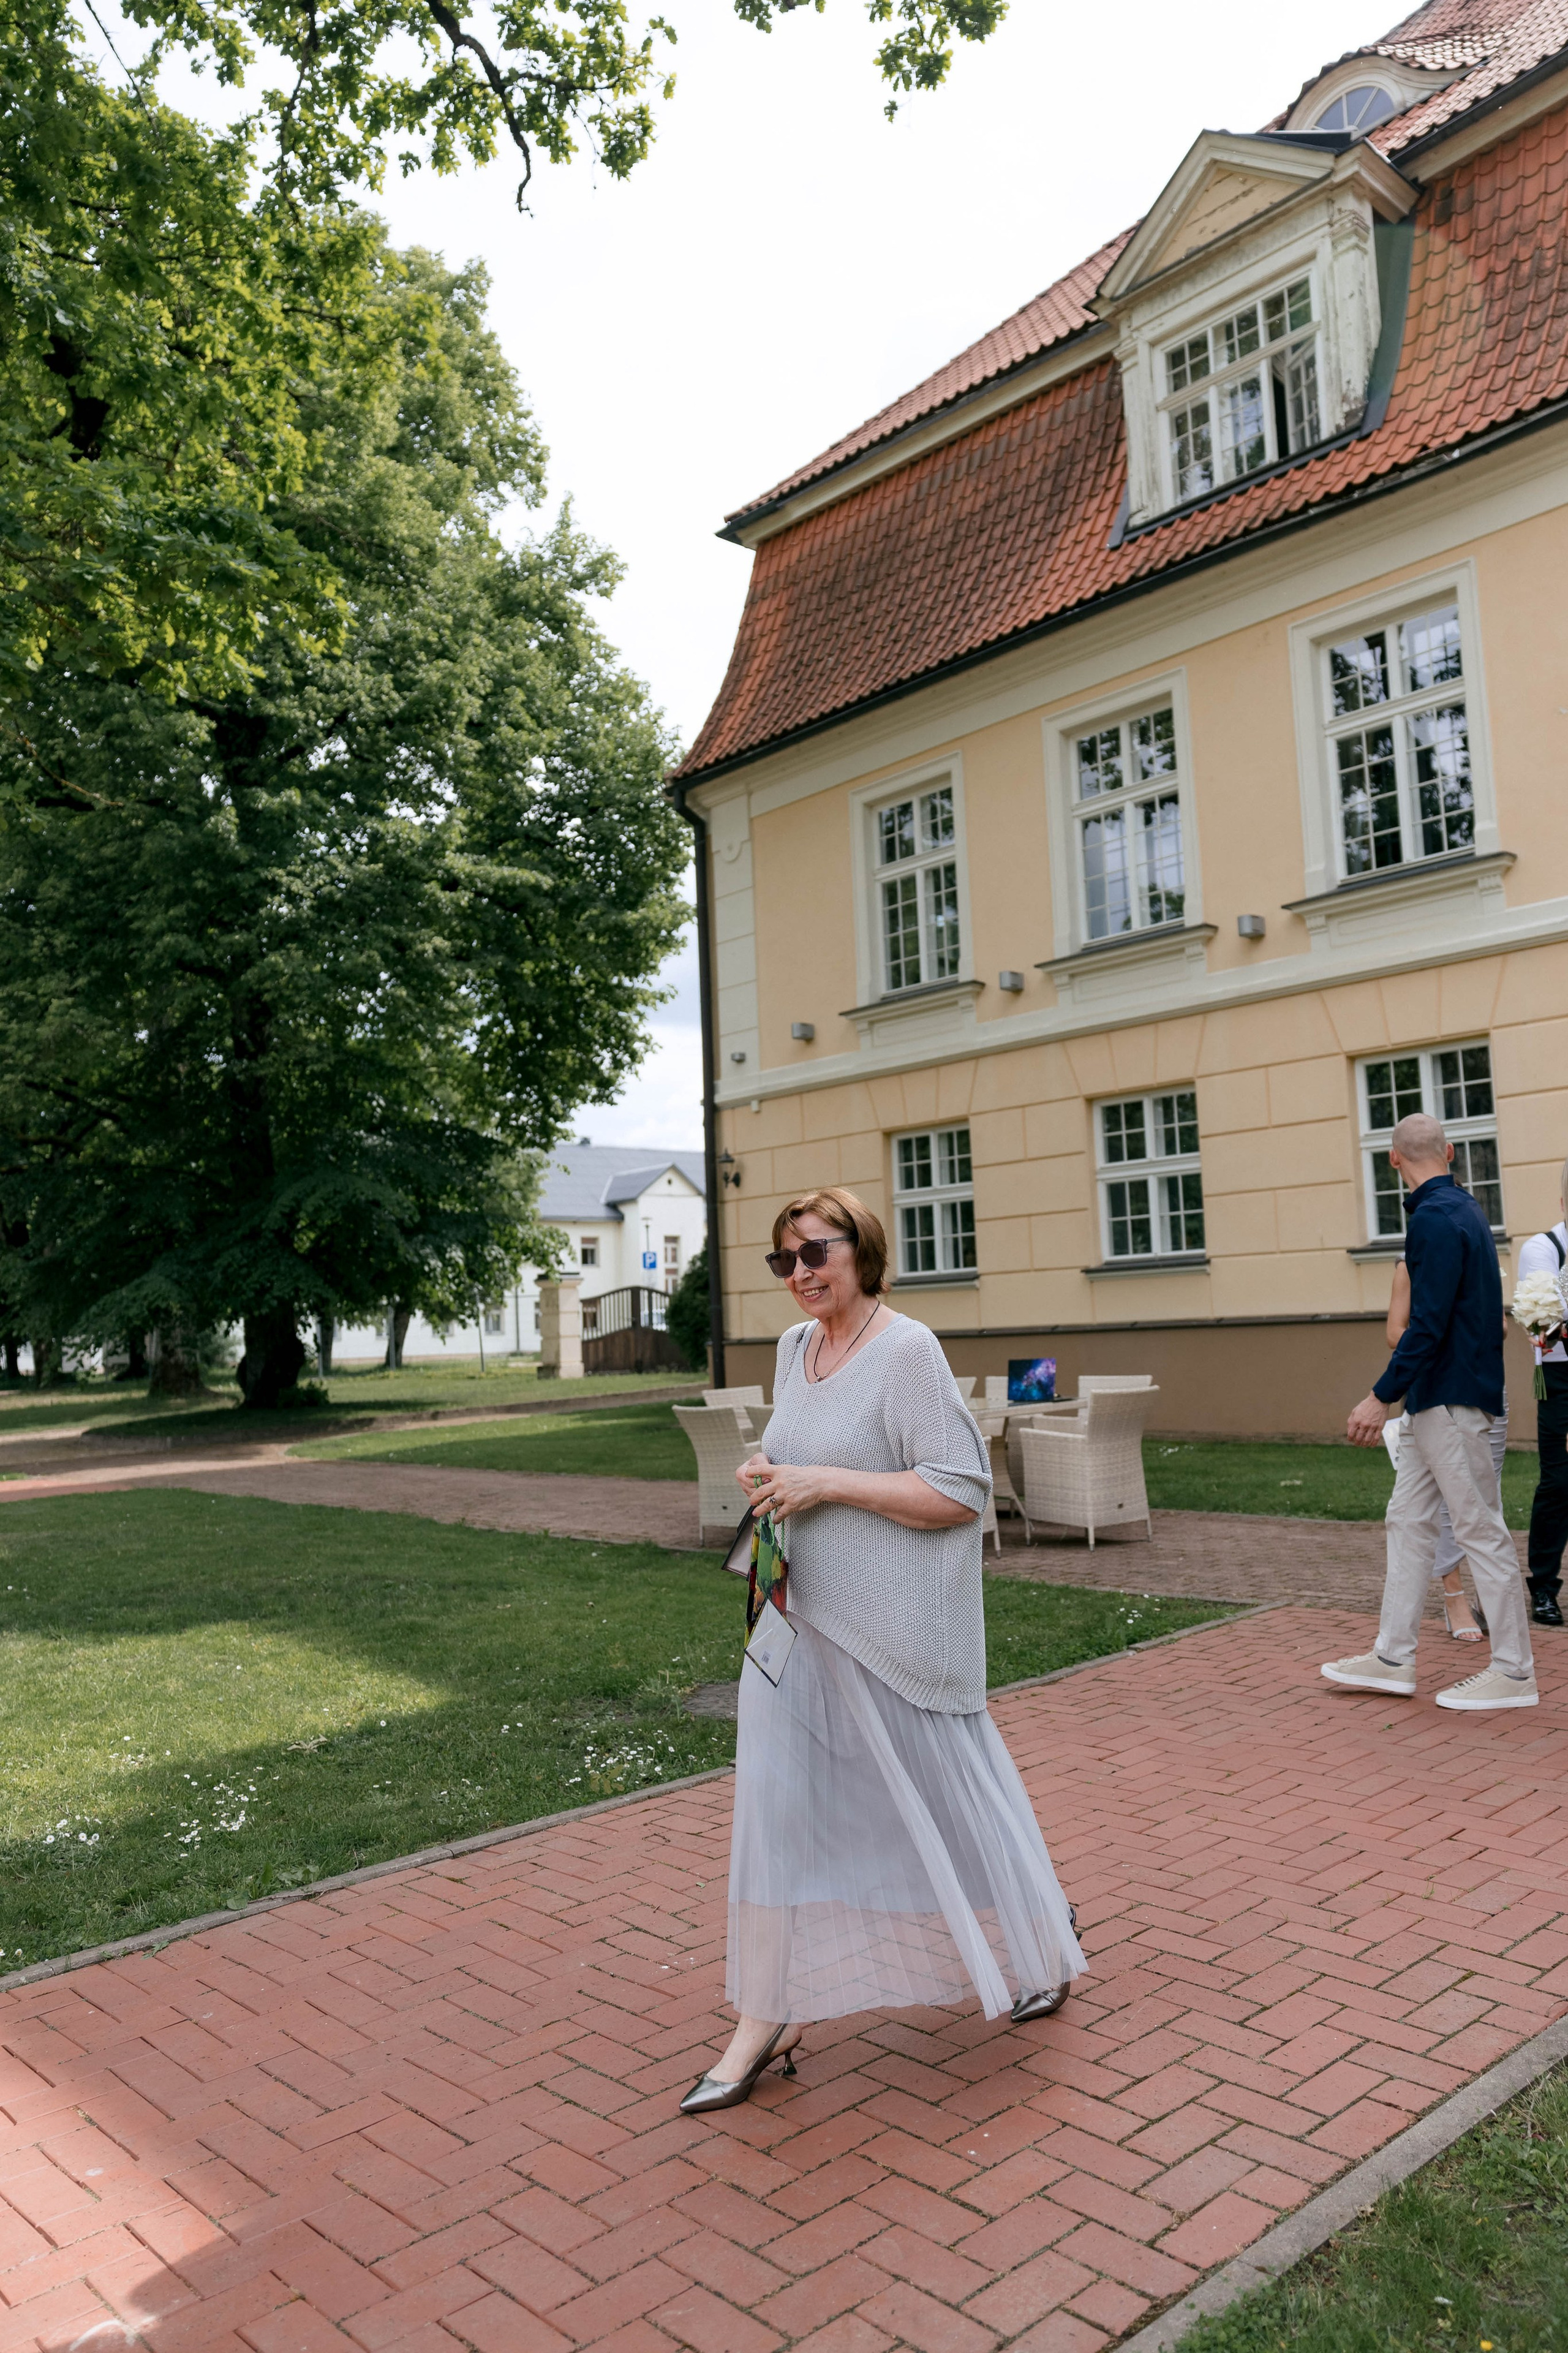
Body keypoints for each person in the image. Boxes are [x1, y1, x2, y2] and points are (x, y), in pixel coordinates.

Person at [679, 1185, 1084, 2115]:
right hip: (798, 1618)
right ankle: (768, 2014)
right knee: (778, 1808)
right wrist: (776, 1474)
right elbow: (805, 1449)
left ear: (862, 1249)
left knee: (950, 1791)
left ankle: (1043, 1930)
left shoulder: (908, 1351)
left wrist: (828, 1482)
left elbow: (959, 1490)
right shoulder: (794, 1348)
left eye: (814, 1253)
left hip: (896, 1627)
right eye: (783, 1262)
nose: (800, 1275)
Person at [1323, 1111, 1537, 1711]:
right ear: (1447, 1152)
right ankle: (1392, 1657)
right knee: (1408, 1520)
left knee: (1478, 1529)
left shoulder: (1435, 1220)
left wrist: (1379, 1393)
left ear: (1392, 1160)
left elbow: (1427, 1325)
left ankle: (1514, 1671)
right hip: (1437, 1402)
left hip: (1449, 1402)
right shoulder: (1467, 1213)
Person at [1385, 1258, 1506, 1641]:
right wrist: (1439, 1342)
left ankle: (1493, 1598)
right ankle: (1454, 1596)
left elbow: (1499, 1325)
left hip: (1483, 1386)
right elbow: (1394, 1333)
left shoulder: (1480, 1261)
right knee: (1441, 1502)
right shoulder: (1410, 1265)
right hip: (1438, 1387)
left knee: (1486, 1497)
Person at [1515, 1160, 1568, 1628]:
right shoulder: (1543, 1248)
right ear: (1563, 1201)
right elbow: (1546, 1325)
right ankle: (1544, 1587)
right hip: (1561, 1379)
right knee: (1560, 1481)